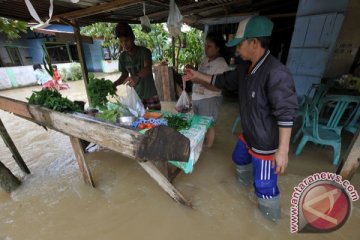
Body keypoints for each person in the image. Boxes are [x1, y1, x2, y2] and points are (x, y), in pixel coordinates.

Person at [182, 16, 298, 222]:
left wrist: (282, 151)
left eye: (240, 44)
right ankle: (243, 192)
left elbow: (286, 113)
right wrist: (196, 75)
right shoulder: (245, 67)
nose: (236, 50)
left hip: (265, 143)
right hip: (249, 134)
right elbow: (222, 80)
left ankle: (270, 221)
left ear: (254, 43)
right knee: (238, 158)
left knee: (265, 187)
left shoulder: (276, 72)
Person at [191, 32, 229, 147]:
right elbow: (199, 75)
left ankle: (208, 148)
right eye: (205, 45)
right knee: (198, 123)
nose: (205, 49)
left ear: (217, 48)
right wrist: (192, 73)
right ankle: (202, 143)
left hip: (209, 99)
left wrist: (198, 80)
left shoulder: (221, 64)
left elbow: (217, 87)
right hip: (197, 97)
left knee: (209, 124)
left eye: (209, 46)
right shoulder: (204, 60)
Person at [113, 23, 161, 110]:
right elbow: (124, 75)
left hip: (150, 93)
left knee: (156, 118)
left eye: (126, 40)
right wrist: (114, 84)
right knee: (138, 120)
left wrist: (136, 77)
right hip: (136, 95)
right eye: (121, 41)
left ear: (133, 38)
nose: (124, 44)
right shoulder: (122, 57)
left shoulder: (144, 52)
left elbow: (148, 68)